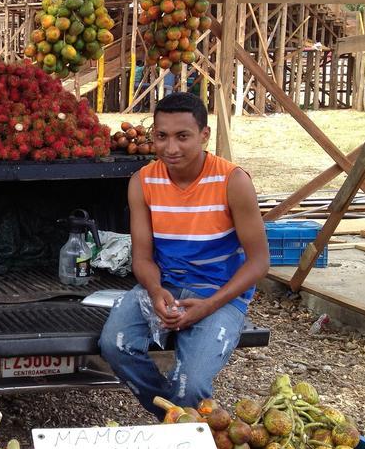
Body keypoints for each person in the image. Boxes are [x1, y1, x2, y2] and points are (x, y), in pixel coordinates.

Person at [98, 93, 269, 418]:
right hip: (167, 286)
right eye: (161, 136)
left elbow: (259, 262)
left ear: (204, 136)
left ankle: (183, 420)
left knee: (190, 387)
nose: (171, 148)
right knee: (114, 345)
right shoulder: (143, 182)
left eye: (183, 136)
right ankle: (176, 418)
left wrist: (209, 304)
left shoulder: (233, 182)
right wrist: (156, 291)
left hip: (220, 295)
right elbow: (143, 259)